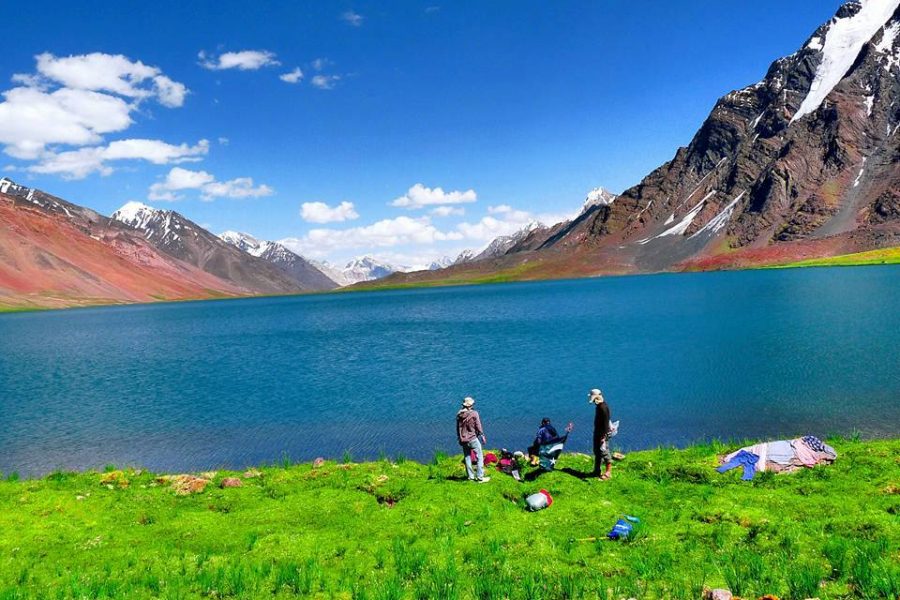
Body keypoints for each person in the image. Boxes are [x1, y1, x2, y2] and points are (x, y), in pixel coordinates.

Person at [456, 396, 490, 483]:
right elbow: (478, 425)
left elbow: (458, 428)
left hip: (463, 439)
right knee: (480, 457)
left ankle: (470, 477)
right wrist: (482, 435)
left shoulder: (459, 415)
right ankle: (480, 477)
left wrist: (460, 438)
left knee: (467, 457)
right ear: (470, 405)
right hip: (473, 439)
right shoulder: (474, 413)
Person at [589, 388, 613, 480]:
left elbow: (605, 422)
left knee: (604, 451)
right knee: (597, 451)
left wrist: (603, 436)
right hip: (598, 432)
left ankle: (608, 472)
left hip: (602, 433)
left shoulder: (603, 408)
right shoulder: (600, 406)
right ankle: (597, 470)